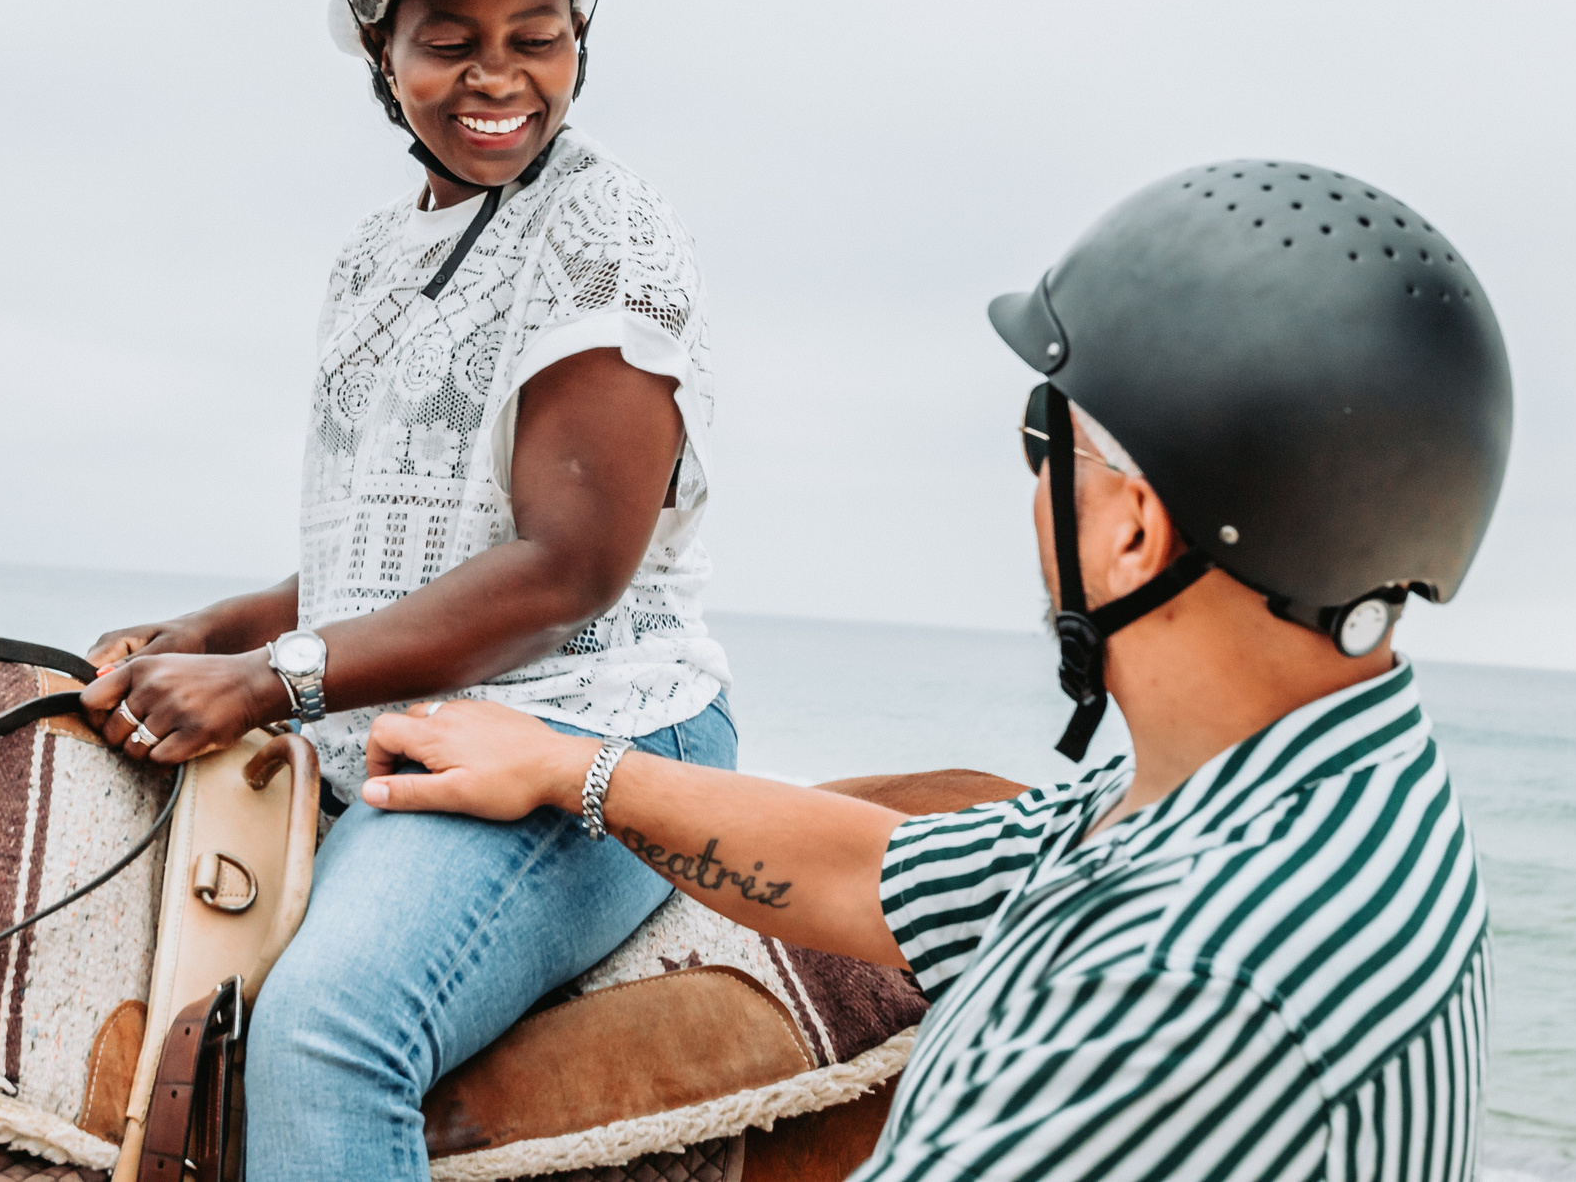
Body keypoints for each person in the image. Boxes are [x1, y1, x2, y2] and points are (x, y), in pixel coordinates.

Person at [357, 159, 1515, 1182]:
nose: (1029, 486)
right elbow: (878, 872)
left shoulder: (1185, 992)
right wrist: (570, 768)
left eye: (1041, 441)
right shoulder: (1279, 798)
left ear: (1133, 531)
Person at [77, 0, 736, 1181]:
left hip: (589, 728)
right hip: (409, 721)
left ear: (582, 26)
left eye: (537, 35)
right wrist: (219, 625)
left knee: (326, 1031)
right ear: (374, 43)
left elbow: (564, 570)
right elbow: (404, 552)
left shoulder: (606, 231)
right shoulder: (375, 253)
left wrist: (270, 678)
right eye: (450, 43)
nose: (499, 77)